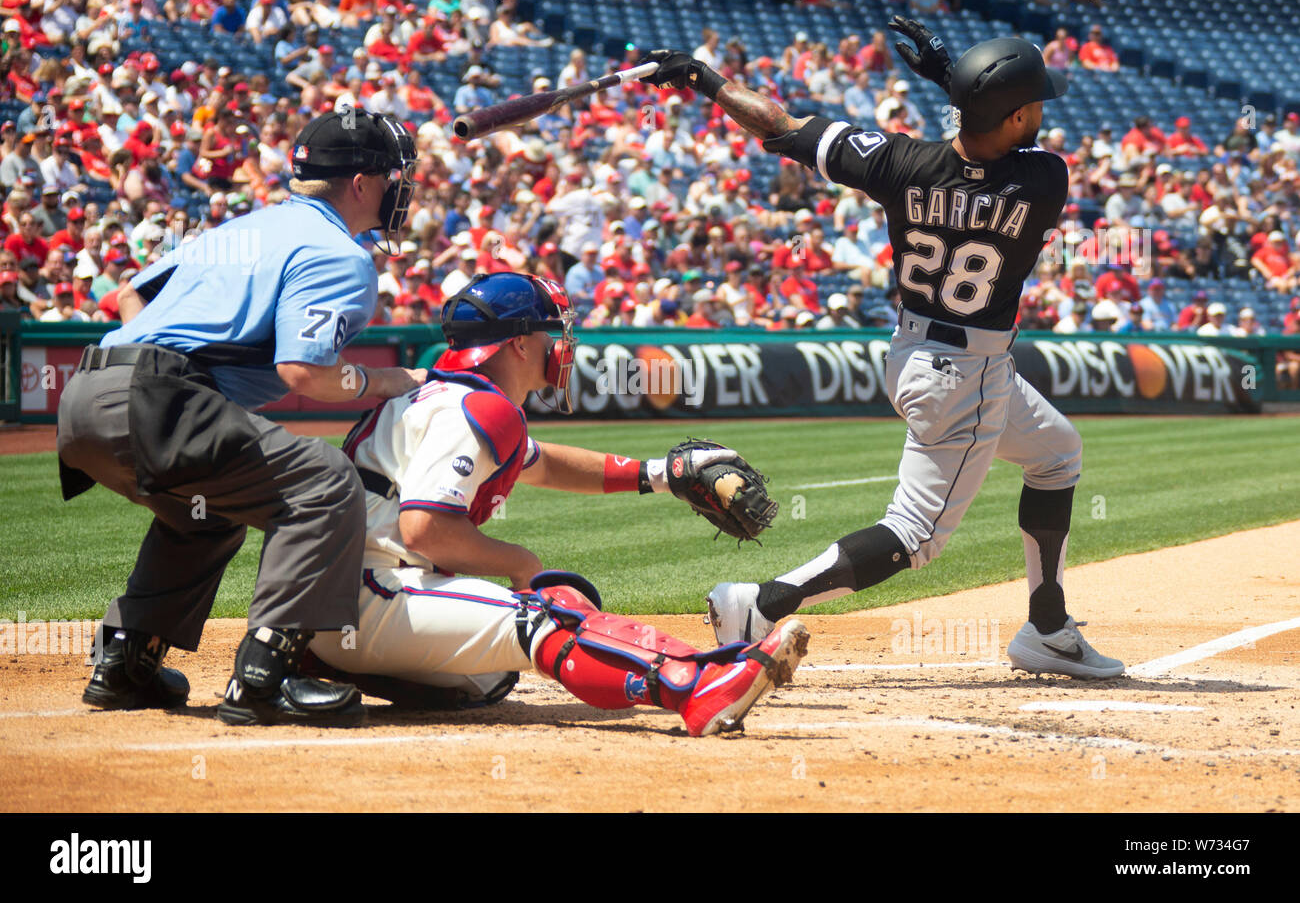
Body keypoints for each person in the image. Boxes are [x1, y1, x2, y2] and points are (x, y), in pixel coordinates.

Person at [640, 17, 1124, 679]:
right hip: (969, 374)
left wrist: (705, 80)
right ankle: (758, 604)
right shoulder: (1045, 179)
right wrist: (951, 77)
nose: (1041, 114)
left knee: (1056, 452)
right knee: (916, 538)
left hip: (914, 354)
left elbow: (781, 126)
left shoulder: (899, 162)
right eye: (1032, 105)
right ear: (1011, 117)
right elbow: (996, 151)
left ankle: (1048, 628)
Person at [302, 273, 809, 735]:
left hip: (339, 599)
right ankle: (694, 685)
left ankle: (324, 662)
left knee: (487, 675)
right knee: (549, 610)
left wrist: (660, 475)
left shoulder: (453, 396)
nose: (560, 346)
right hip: (366, 591)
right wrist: (521, 564)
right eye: (551, 333)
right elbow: (425, 530)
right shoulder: (474, 408)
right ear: (519, 344)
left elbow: (546, 464)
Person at [58, 109, 428, 727]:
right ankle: (264, 678)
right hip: (159, 399)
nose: (402, 191)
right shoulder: (341, 254)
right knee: (324, 481)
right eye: (396, 177)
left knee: (204, 514)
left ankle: (122, 663)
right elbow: (303, 375)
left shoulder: (243, 227)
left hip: (87, 395)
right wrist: (394, 380)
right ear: (362, 183)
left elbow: (130, 293)